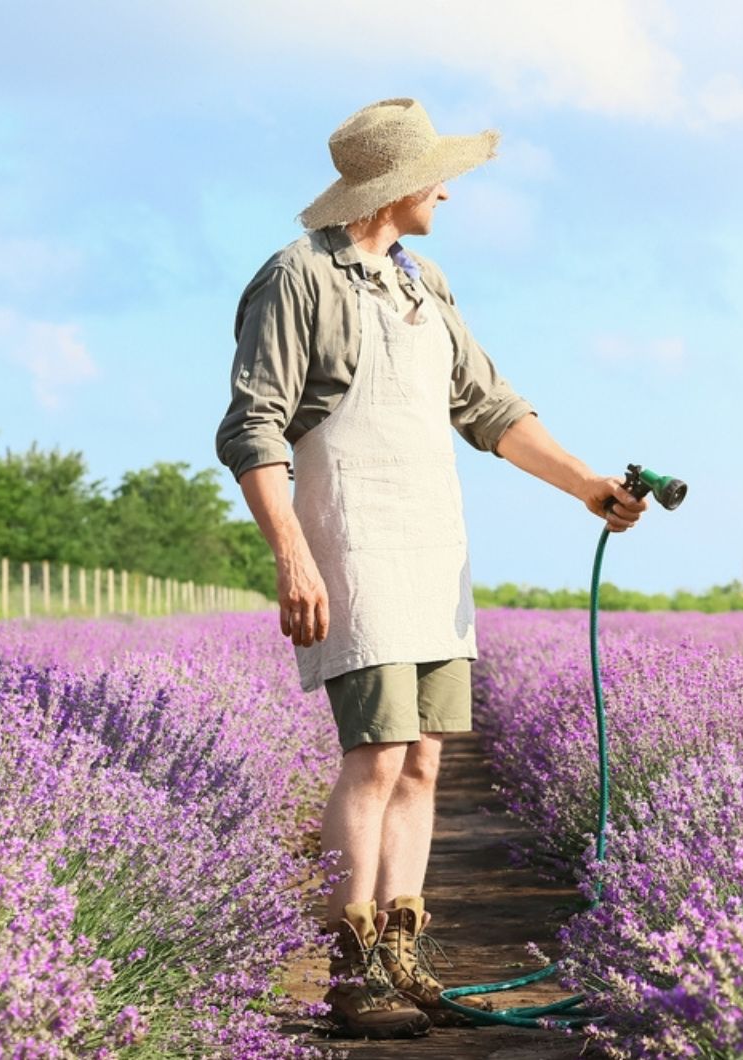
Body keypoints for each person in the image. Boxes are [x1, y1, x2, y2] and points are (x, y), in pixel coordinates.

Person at [215, 97, 647, 1039]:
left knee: (422, 762)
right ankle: (350, 972)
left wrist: (586, 484)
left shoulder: (423, 282)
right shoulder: (298, 280)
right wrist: (294, 555)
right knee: (370, 758)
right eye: (437, 177)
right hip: (352, 548)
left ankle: (404, 951)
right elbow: (252, 429)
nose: (448, 190)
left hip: (432, 548)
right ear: (396, 186)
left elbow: (490, 409)